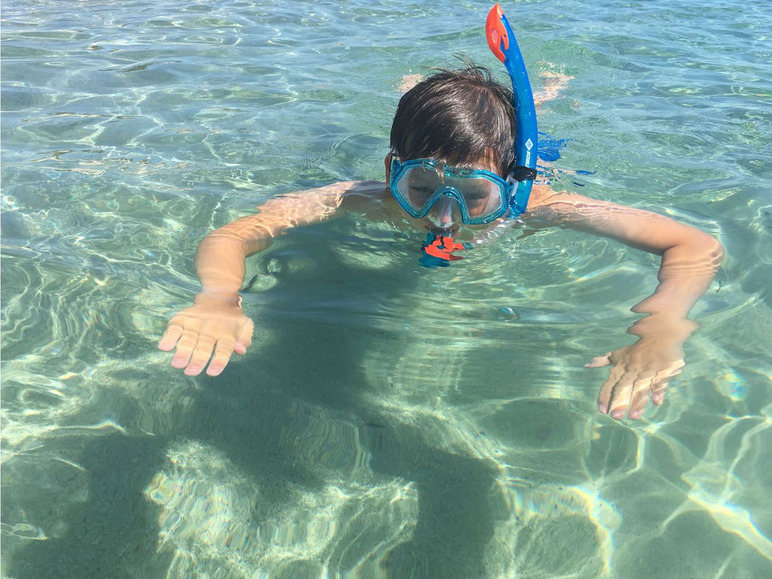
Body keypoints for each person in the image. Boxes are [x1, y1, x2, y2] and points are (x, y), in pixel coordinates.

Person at [158, 10, 723, 421]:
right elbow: (237, 234)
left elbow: (695, 246)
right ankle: (426, 90)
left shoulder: (537, 204)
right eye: (422, 187)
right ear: (390, 171)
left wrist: (664, 324)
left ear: (507, 186)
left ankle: (542, 97)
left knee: (534, 134)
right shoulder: (366, 197)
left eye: (474, 195)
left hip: (531, 158)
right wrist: (218, 296)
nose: (443, 216)